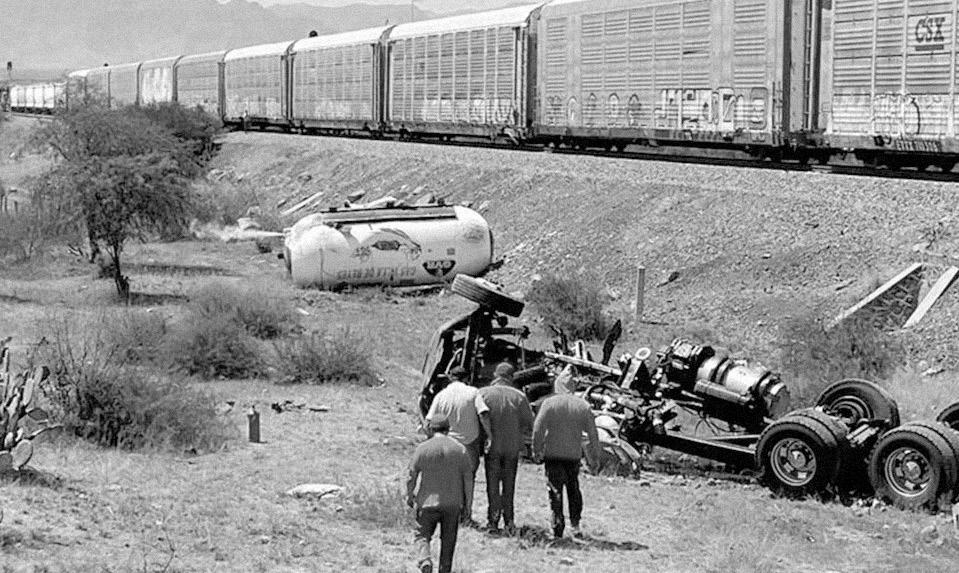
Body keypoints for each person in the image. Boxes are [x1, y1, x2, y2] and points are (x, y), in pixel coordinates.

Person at [532, 365, 601, 539]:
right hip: (573, 455)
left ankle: (557, 527)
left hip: (553, 453)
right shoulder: (583, 406)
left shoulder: (549, 403)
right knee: (573, 489)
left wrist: (536, 449)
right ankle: (575, 525)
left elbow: (538, 430)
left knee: (555, 490)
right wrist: (595, 458)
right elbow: (593, 434)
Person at [406, 414, 474, 573]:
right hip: (452, 504)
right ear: (448, 429)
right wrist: (468, 506)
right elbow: (468, 481)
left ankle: (425, 559)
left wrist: (409, 495)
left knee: (422, 535)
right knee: (448, 543)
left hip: (427, 502)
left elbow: (411, 476)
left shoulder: (423, 448)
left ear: (430, 429)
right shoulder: (460, 450)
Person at [425, 365, 491, 525]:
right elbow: (483, 414)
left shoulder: (441, 395)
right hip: (468, 444)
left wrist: (432, 440)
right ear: (466, 378)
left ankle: (446, 514)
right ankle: (466, 515)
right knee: (468, 480)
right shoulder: (473, 392)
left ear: (451, 378)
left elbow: (428, 422)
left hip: (446, 444)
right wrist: (489, 435)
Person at [478, 361, 534, 534]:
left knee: (492, 485)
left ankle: (493, 521)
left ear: (495, 375)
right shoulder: (519, 397)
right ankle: (509, 521)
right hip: (512, 448)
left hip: (492, 447)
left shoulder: (483, 393)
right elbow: (529, 422)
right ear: (511, 377)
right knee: (509, 486)